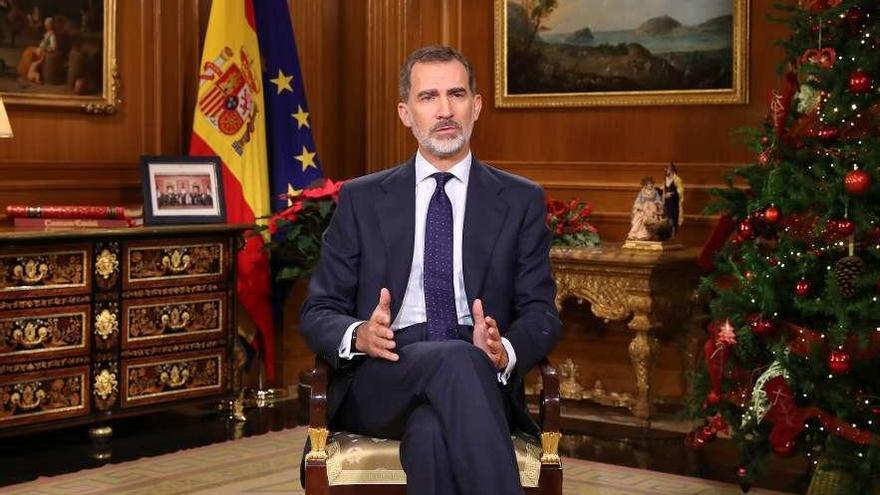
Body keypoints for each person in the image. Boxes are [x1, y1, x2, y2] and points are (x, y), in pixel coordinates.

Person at [299, 45, 561, 495]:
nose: (445, 110)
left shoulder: (519, 201)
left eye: (456, 94)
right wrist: (360, 333)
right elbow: (318, 311)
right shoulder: (363, 200)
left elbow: (541, 313)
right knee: (456, 361)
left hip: (477, 372)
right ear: (406, 112)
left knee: (432, 435)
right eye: (428, 97)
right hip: (385, 374)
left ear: (476, 106)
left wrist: (503, 352)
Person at [626, 176, 664, 241]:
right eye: (649, 184)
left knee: (651, 218)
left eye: (651, 184)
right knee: (640, 218)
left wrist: (657, 203)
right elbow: (638, 200)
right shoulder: (642, 192)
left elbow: (658, 200)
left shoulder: (655, 192)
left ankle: (650, 235)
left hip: (652, 207)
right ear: (645, 185)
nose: (650, 186)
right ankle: (640, 235)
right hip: (644, 207)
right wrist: (638, 206)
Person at [663, 162, 684, 238]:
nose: (666, 171)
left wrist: (671, 194)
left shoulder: (677, 180)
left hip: (674, 203)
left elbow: (680, 192)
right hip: (667, 203)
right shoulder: (666, 179)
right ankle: (667, 235)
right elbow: (663, 188)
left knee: (673, 219)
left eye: (667, 169)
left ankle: (673, 236)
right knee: (666, 218)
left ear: (672, 170)